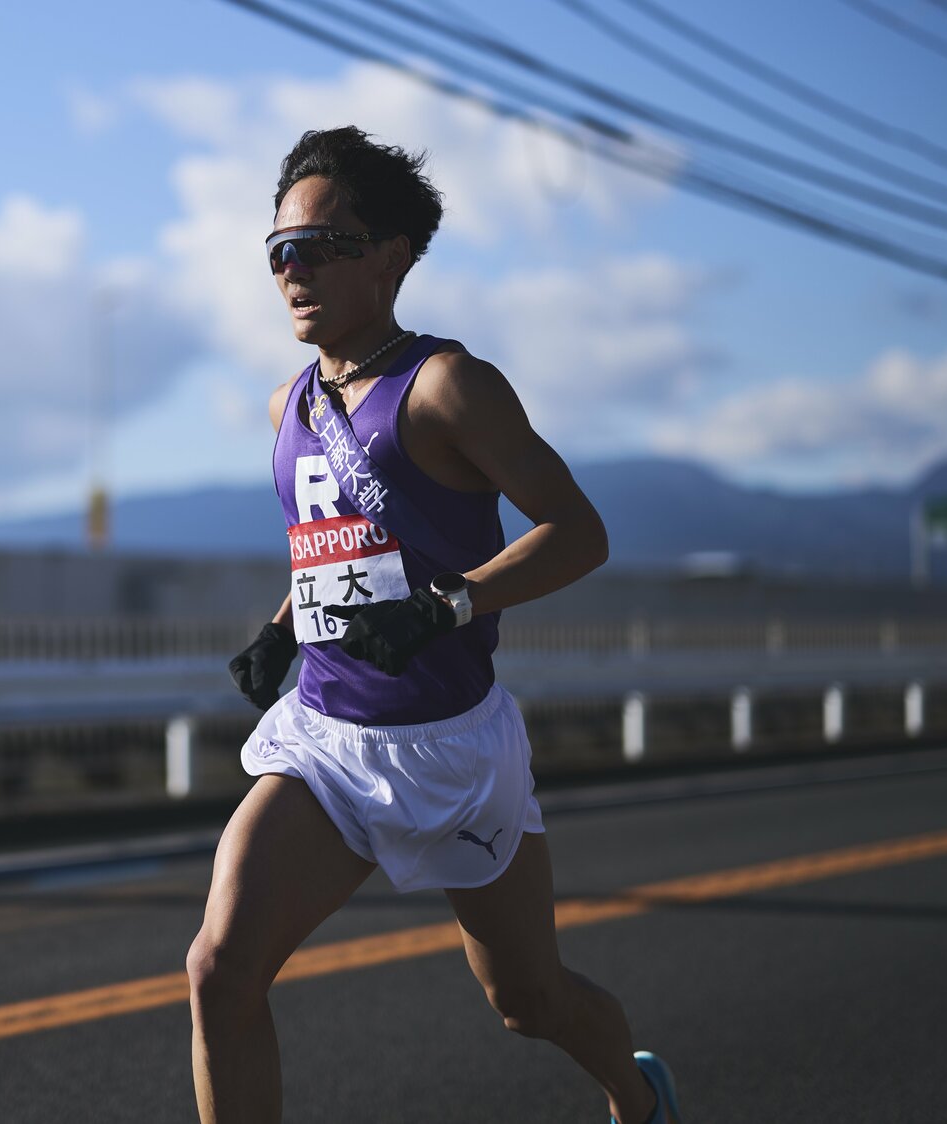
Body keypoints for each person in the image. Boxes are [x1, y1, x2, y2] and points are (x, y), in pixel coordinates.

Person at [188, 126, 681, 1124]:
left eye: (320, 245)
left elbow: (578, 533)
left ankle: (639, 1095)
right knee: (217, 969)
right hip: (326, 739)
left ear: (391, 254)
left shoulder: (449, 386)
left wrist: (449, 605)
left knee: (526, 999)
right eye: (279, 250)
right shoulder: (291, 401)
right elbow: (335, 541)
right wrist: (284, 626)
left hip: (449, 747)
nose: (295, 270)